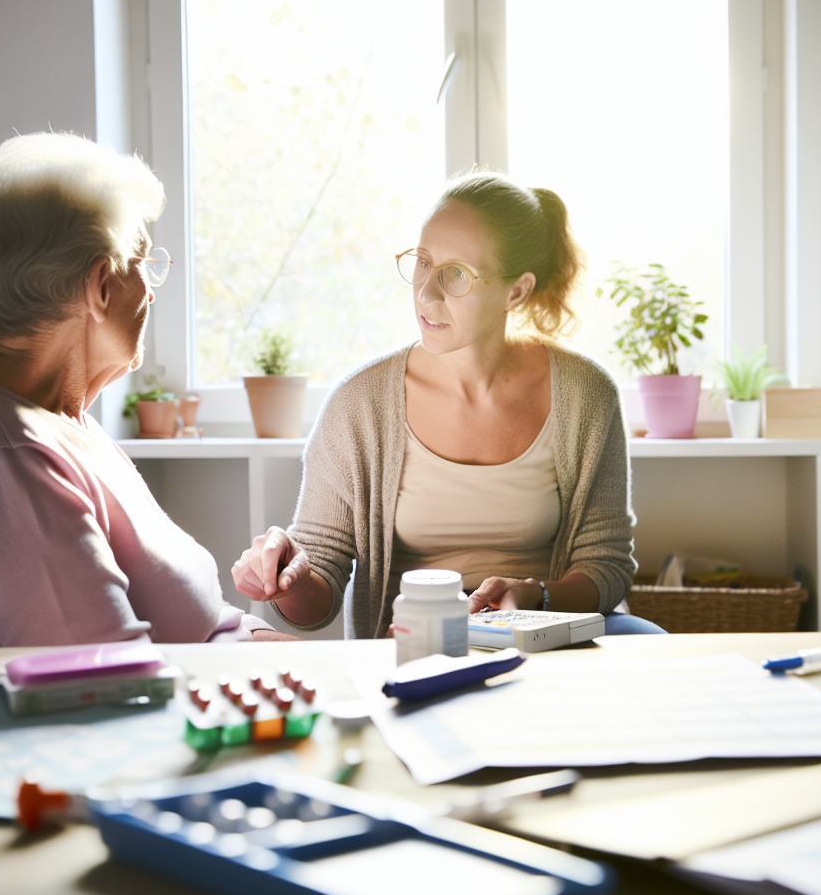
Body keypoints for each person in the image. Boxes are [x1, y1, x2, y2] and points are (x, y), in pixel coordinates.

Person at [233, 171, 663, 639]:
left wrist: (535, 596)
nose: (425, 293)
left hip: (547, 641)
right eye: (421, 262)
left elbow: (607, 565)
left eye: (455, 274)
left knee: (648, 641)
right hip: (417, 650)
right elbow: (318, 594)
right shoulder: (359, 404)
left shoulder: (586, 394)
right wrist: (286, 578)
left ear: (515, 291)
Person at [0, 132, 289, 646]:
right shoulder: (17, 456)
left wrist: (266, 639)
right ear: (100, 287)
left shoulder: (66, 421)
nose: (152, 291)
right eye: (144, 264)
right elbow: (104, 683)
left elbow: (194, 617)